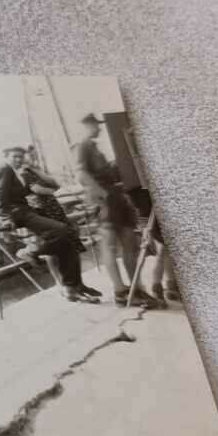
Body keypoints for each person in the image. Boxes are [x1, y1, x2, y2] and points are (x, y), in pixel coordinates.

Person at [71, 114, 160, 307]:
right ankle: (120, 291)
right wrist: (101, 195)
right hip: (105, 201)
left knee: (130, 244)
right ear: (86, 125)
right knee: (110, 247)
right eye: (95, 125)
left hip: (117, 198)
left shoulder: (94, 148)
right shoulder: (82, 146)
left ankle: (137, 288)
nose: (99, 129)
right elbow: (81, 173)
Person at [0, 146, 99, 303]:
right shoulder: (4, 169)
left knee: (68, 242)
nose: (19, 159)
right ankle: (31, 252)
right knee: (61, 230)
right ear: (6, 156)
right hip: (19, 214)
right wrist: (5, 219)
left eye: (21, 157)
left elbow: (53, 185)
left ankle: (73, 287)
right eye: (15, 156)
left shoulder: (19, 172)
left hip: (29, 211)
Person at [21, 146, 96, 295]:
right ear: (24, 158)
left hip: (54, 209)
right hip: (43, 212)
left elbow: (55, 183)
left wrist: (38, 171)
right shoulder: (24, 174)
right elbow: (38, 190)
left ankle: (76, 284)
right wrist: (54, 190)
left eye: (35, 155)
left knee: (71, 244)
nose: (34, 158)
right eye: (30, 156)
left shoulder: (36, 172)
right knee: (55, 249)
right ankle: (61, 284)